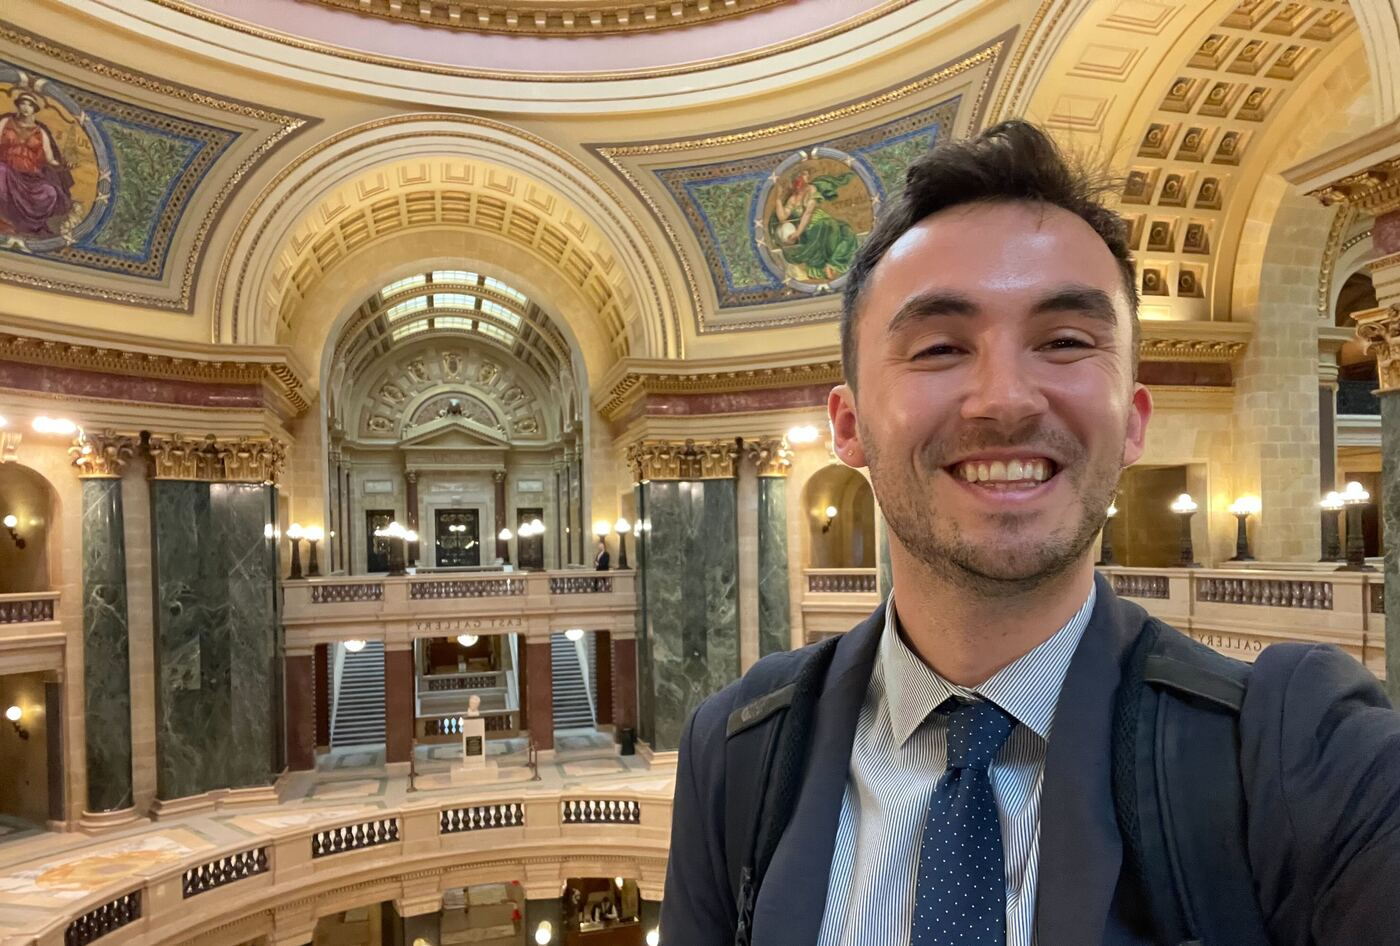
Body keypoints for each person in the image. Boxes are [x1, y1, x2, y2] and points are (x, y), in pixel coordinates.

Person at [661, 120, 1400, 945]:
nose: (1006, 399)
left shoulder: (1305, 752)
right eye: (940, 347)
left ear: (1132, 421)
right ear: (849, 424)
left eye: (1065, 342)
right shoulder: (735, 753)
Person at [0, 89, 74, 236]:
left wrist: (64, 165)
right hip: (7, 168)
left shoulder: (41, 132)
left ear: (34, 109)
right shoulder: (6, 122)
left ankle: (32, 227)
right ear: (18, 106)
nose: (26, 107)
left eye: (30, 105)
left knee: (50, 192)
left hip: (31, 177)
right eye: (23, 104)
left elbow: (50, 159)